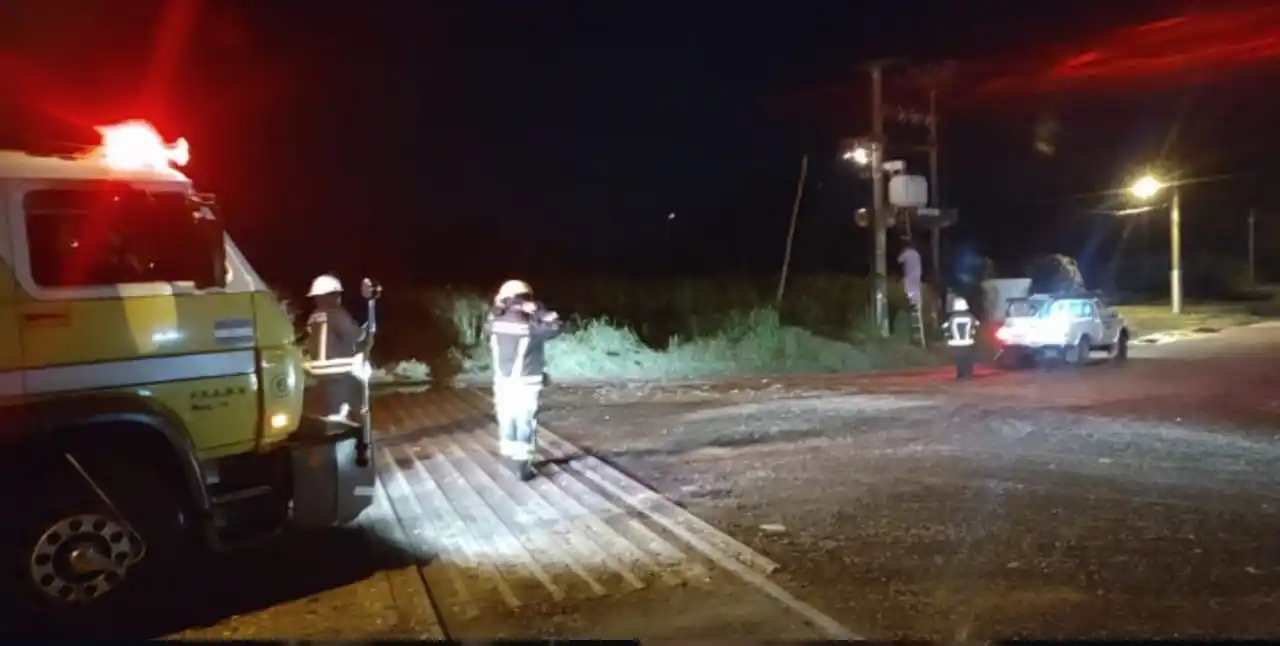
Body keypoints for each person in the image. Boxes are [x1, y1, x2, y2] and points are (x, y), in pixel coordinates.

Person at [484, 279, 563, 481]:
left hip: (503, 380)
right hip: (527, 381)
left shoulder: (494, 322)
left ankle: (508, 453)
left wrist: (507, 305)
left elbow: (494, 312)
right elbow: (556, 325)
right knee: (525, 420)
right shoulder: (531, 327)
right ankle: (522, 464)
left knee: (507, 416)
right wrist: (537, 310)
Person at [305, 273, 367, 424]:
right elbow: (353, 335)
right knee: (359, 384)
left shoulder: (313, 316)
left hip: (317, 369)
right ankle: (349, 419)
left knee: (331, 397)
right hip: (336, 368)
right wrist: (363, 332)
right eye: (338, 295)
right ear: (331, 296)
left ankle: (335, 414)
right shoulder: (337, 314)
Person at [942, 296, 979, 380]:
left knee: (959, 359)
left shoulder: (952, 317)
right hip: (968, 342)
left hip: (956, 342)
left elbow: (945, 327)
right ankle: (968, 374)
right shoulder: (970, 316)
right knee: (968, 359)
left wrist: (948, 338)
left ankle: (960, 375)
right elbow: (977, 324)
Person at [897, 237, 923, 310]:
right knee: (915, 288)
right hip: (917, 273)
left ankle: (912, 303)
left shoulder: (906, 252)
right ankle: (915, 304)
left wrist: (902, 251)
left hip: (909, 273)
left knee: (909, 288)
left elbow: (899, 260)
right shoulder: (916, 253)